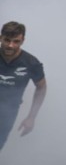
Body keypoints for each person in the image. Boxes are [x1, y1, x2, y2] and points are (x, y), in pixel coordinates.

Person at [0, 21, 47, 153]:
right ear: (1, 38)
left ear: (22, 41)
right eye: (7, 40)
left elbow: (41, 87)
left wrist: (31, 117)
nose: (10, 45)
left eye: (16, 41)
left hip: (6, 114)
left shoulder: (31, 63)